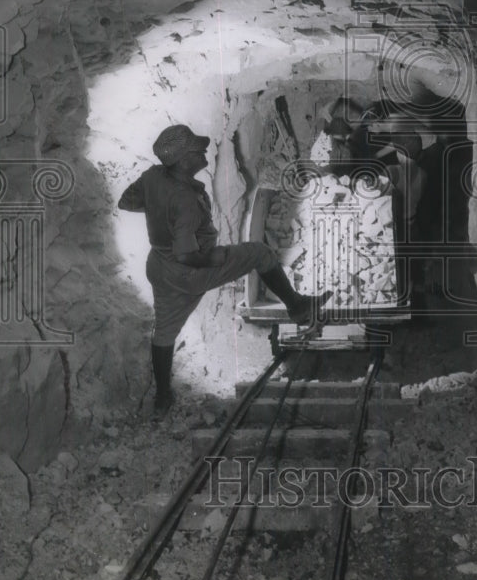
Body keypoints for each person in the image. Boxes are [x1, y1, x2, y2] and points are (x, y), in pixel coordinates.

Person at [119, 124, 332, 413]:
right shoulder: (184, 200)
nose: (203, 149)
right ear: (183, 161)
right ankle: (297, 306)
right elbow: (185, 255)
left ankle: (163, 397)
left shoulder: (153, 177)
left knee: (165, 333)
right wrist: (213, 258)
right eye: (197, 150)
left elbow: (126, 201)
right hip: (191, 271)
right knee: (260, 253)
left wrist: (160, 210)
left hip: (160, 268)